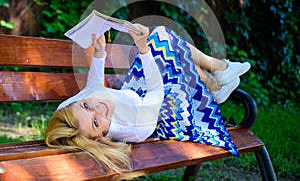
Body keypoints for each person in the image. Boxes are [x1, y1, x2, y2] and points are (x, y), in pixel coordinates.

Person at [45, 24, 250, 172]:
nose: (98, 108)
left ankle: (216, 82)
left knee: (163, 38)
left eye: (86, 105)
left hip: (136, 95)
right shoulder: (135, 125)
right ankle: (220, 71)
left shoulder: (73, 114)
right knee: (165, 46)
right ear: (99, 137)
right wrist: (143, 48)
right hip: (165, 110)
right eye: (96, 121)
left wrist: (99, 54)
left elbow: (92, 90)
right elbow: (156, 91)